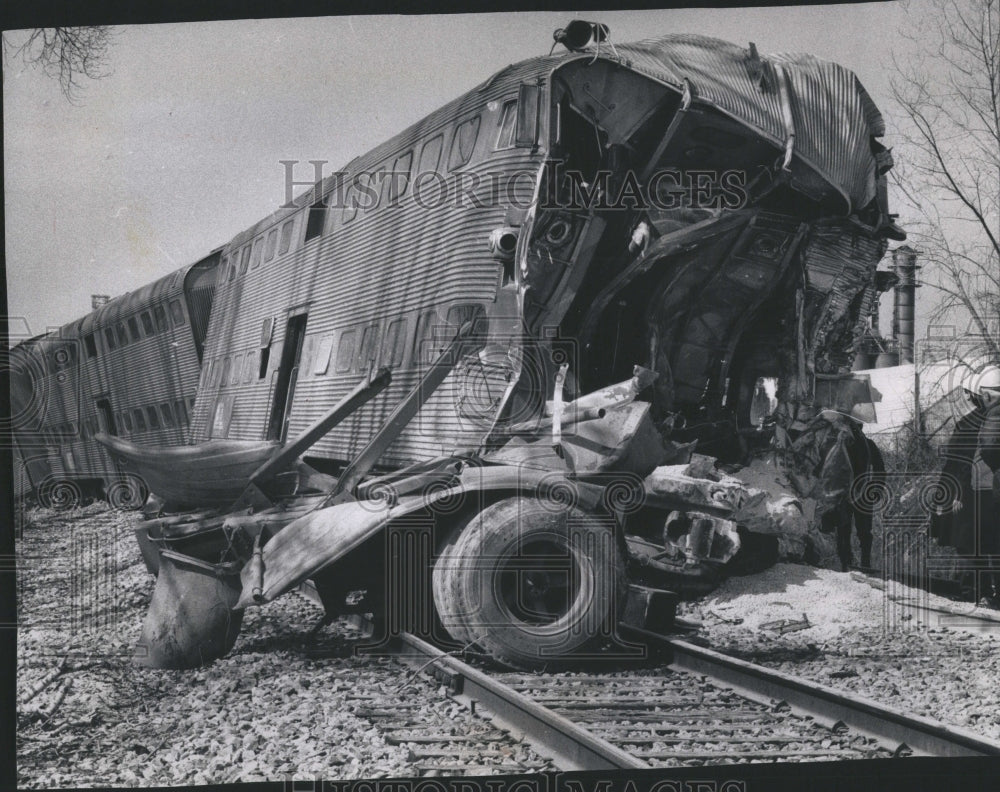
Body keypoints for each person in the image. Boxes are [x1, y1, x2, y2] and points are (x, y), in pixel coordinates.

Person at [930, 365, 1000, 603]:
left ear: (982, 395)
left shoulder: (970, 422)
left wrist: (950, 496)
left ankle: (974, 596)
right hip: (990, 493)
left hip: (975, 495)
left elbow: (956, 462)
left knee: (970, 546)